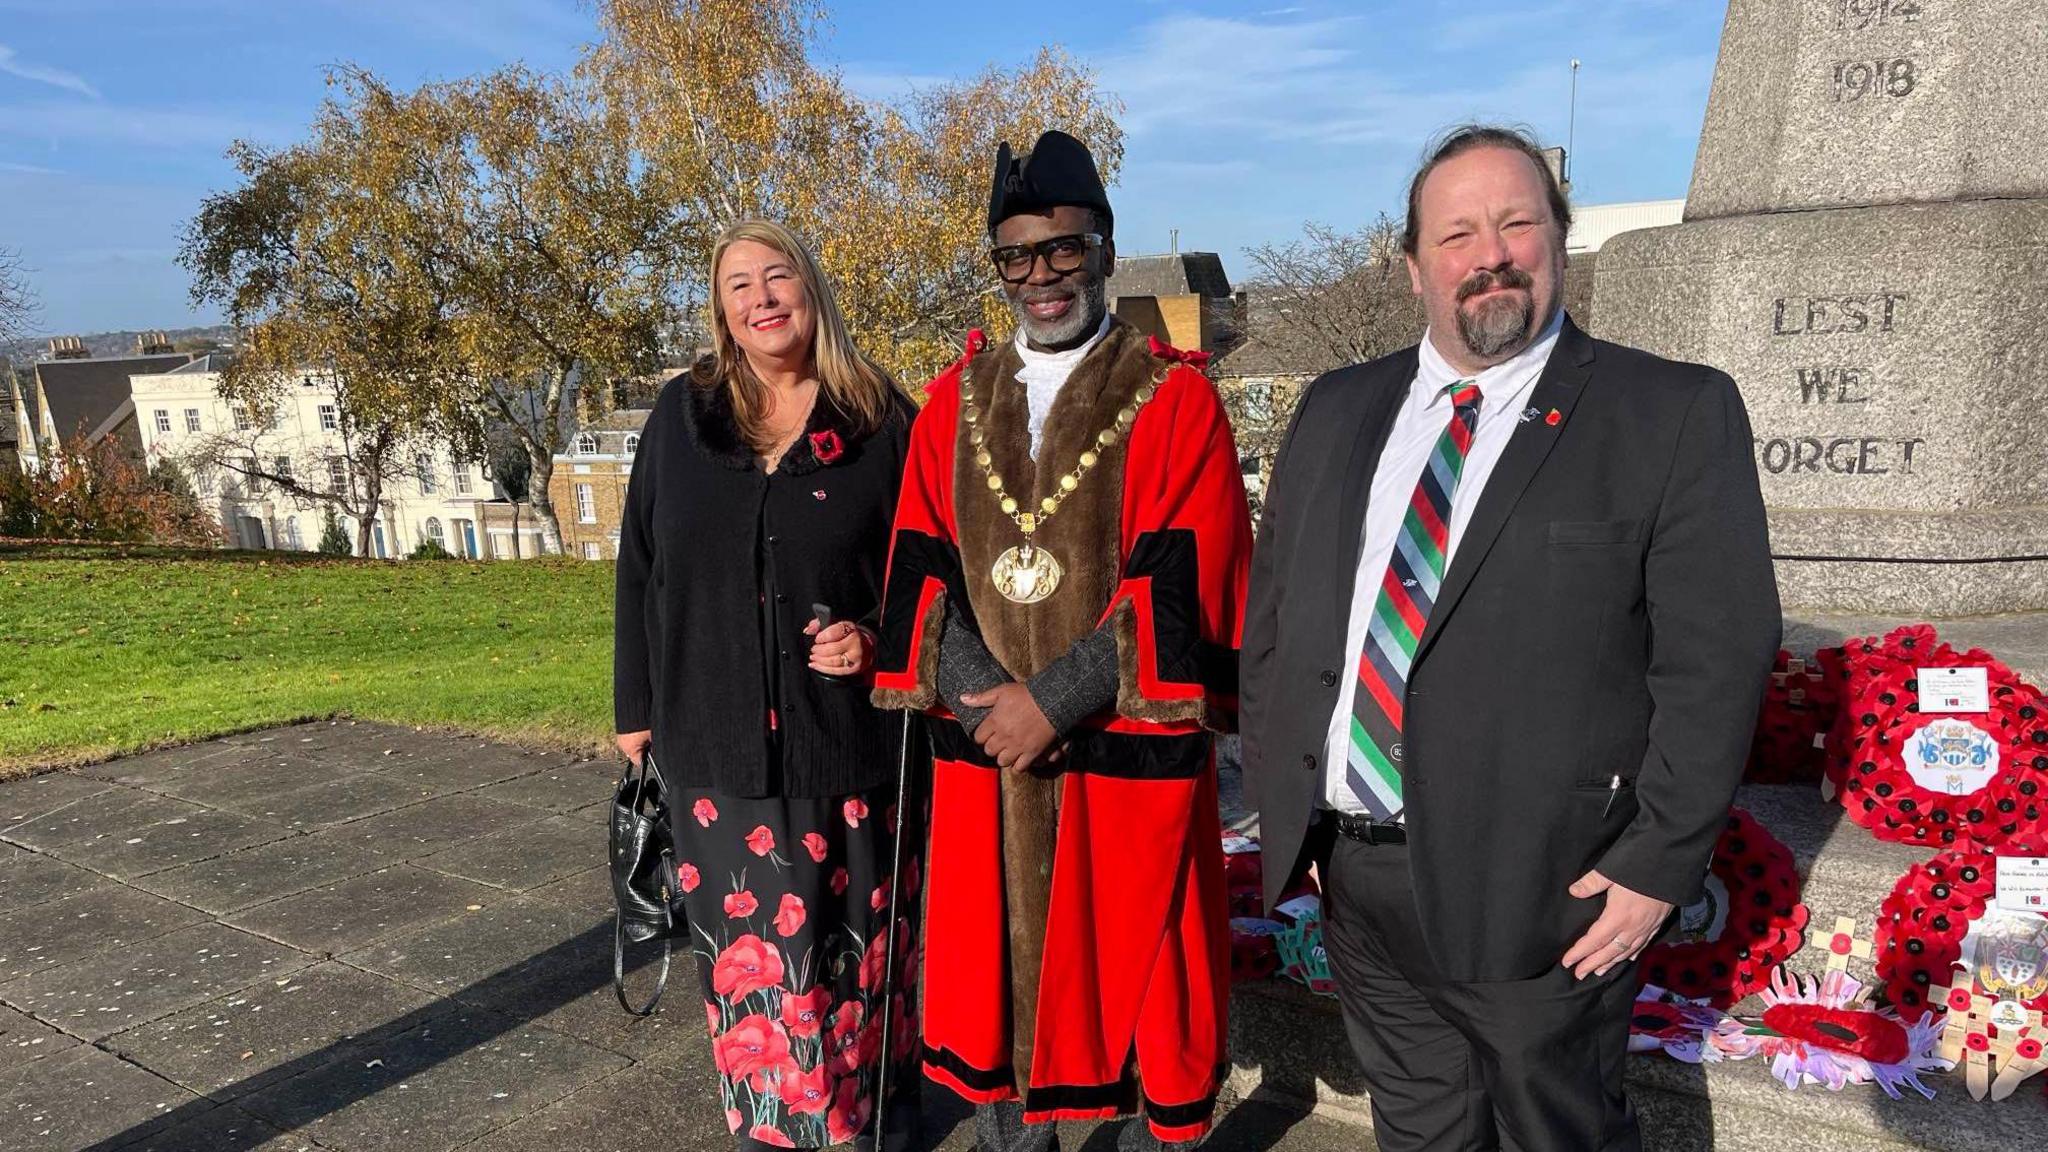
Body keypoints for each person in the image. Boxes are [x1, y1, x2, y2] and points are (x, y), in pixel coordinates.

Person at [1240, 124, 1780, 1151]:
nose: (1486, 253)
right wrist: (1293, 815)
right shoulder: (1334, 409)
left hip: (1545, 892)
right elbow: (1276, 628)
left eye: (1514, 222)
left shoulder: (1664, 412)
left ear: (1556, 240)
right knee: (1419, 1131)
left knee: (1557, 1135)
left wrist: (1658, 863)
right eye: (1454, 234)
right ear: (1411, 268)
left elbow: (1715, 657)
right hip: (1359, 884)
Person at [870, 131, 1253, 1152]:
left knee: (1137, 985)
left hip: (1113, 754)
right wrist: (985, 699)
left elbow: (1186, 584)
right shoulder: (949, 403)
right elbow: (920, 567)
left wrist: (1052, 701)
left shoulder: (1175, 401)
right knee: (992, 988)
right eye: (1015, 257)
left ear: (1102, 249)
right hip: (982, 751)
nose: (1040, 277)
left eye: (1063, 251)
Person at [614, 219, 922, 1152]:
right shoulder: (682, 415)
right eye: (738, 285)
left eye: (776, 276)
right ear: (722, 311)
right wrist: (634, 709)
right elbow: (639, 563)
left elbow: (928, 572)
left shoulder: (879, 418)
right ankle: (775, 1134)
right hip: (713, 746)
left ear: (811, 289)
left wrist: (877, 640)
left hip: (849, 749)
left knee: (848, 957)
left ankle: (870, 1126)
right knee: (754, 969)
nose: (760, 298)